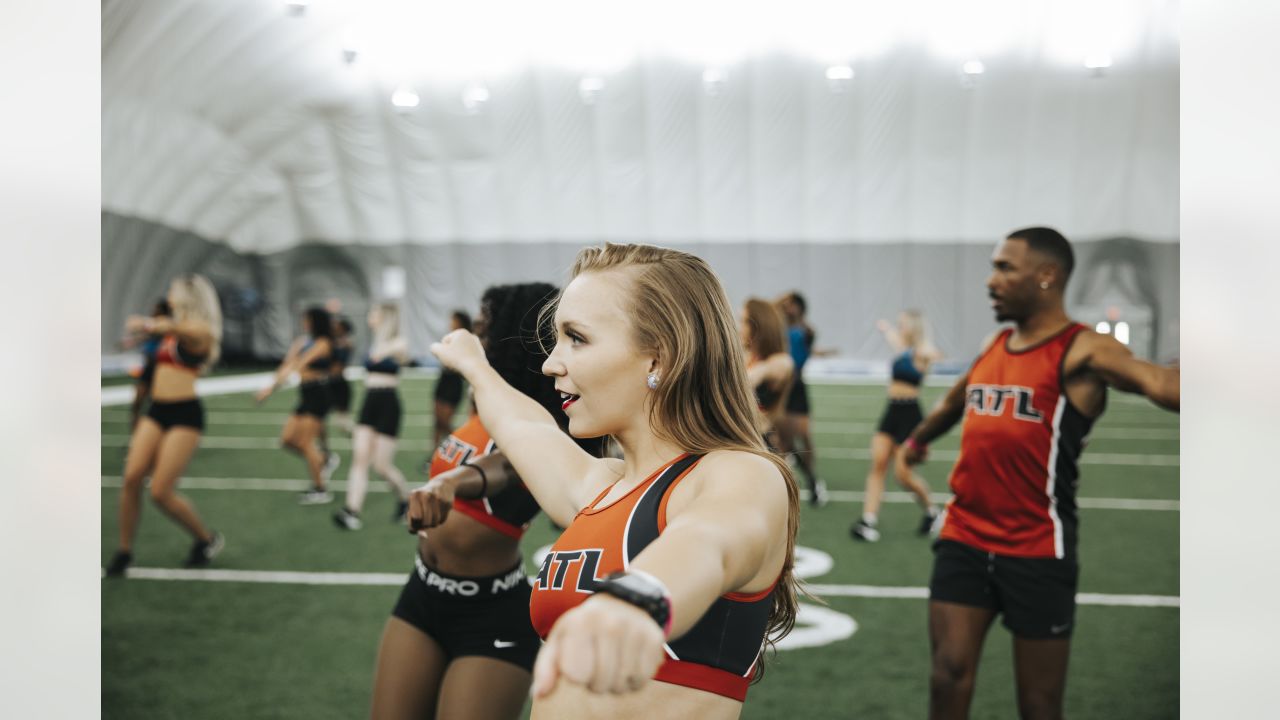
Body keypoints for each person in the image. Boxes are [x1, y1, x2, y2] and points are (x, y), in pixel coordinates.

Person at [430, 243, 800, 719]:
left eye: (576, 338)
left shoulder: (742, 472)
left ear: (658, 360)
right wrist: (475, 367)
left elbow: (710, 540)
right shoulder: (602, 488)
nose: (549, 364)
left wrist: (638, 596)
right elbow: (526, 428)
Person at [901, 227, 1179, 720]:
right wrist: (919, 440)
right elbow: (952, 402)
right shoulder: (996, 344)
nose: (991, 281)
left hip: (1037, 549)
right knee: (947, 676)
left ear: (1047, 276)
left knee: (1039, 706)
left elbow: (1159, 383)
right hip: (964, 537)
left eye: (1005, 268)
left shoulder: (1084, 350)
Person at [370, 283, 600, 719]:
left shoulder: (543, 425)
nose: (476, 331)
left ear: (514, 334)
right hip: (423, 592)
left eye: (486, 322)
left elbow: (508, 465)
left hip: (493, 613)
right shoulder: (486, 408)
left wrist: (452, 482)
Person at [106, 275, 224, 577]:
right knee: (131, 477)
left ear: (186, 295)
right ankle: (123, 551)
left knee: (160, 491)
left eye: (172, 288)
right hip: (157, 410)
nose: (168, 292)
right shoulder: (172, 329)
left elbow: (180, 329)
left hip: (185, 414)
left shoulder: (200, 330)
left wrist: (149, 324)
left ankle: (206, 539)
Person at [850, 309, 943, 541]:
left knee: (902, 475)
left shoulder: (921, 351)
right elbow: (894, 338)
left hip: (911, 415)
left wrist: (931, 354)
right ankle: (868, 521)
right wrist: (885, 328)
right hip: (892, 411)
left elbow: (936, 354)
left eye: (903, 324)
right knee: (878, 465)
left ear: (913, 326)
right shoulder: (901, 347)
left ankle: (933, 512)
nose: (899, 327)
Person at [333, 304, 412, 530]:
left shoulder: (398, 342)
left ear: (386, 317)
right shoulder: (374, 341)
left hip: (388, 404)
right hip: (369, 401)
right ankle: (351, 511)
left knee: (382, 466)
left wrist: (384, 345)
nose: (370, 316)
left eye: (375, 313)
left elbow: (396, 354)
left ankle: (405, 499)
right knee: (360, 459)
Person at [255, 307, 338, 504]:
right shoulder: (303, 341)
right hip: (305, 394)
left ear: (316, 322)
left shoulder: (323, 343)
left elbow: (299, 364)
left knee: (305, 442)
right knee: (286, 440)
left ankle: (320, 489)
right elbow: (287, 364)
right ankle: (323, 460)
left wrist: (271, 389)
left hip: (319, 394)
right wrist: (270, 385)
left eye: (307, 319)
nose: (304, 322)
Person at [774, 291, 829, 506]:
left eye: (792, 305)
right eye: (786, 304)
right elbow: (771, 308)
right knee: (784, 441)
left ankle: (813, 478)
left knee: (803, 437)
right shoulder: (779, 329)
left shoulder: (806, 331)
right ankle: (809, 481)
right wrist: (784, 300)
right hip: (780, 389)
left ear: (800, 308)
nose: (787, 308)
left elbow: (802, 352)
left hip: (796, 388)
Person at [740, 298, 796, 453]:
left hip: (761, 443)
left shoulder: (780, 361)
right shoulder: (745, 355)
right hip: (741, 441)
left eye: (744, 321)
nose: (740, 327)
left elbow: (751, 378)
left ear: (759, 325)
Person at [121, 298, 172, 432]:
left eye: (157, 309)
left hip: (160, 369)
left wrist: (142, 324)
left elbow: (140, 325)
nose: (153, 311)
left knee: (155, 404)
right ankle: (135, 435)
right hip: (148, 368)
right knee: (137, 402)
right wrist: (131, 342)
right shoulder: (155, 324)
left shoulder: (166, 325)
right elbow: (145, 335)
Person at [431, 310, 471, 453]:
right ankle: (434, 454)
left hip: (454, 383)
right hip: (443, 380)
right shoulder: (448, 337)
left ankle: (457, 446)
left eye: (453, 320)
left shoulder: (466, 339)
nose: (450, 323)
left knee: (445, 422)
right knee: (436, 422)